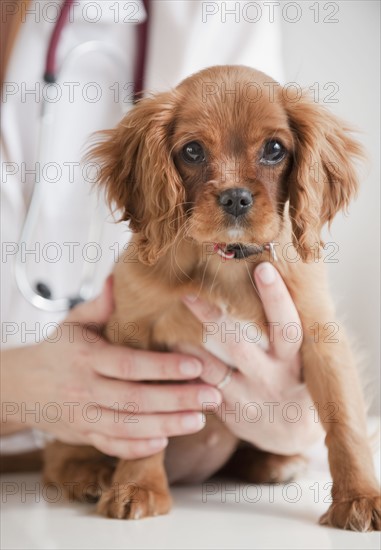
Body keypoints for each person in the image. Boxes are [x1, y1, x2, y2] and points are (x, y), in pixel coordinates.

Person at [1, 0, 322, 460]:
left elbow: (264, 215)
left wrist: (298, 415)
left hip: (172, 473)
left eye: (272, 149)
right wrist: (14, 388)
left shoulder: (221, 9)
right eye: (193, 153)